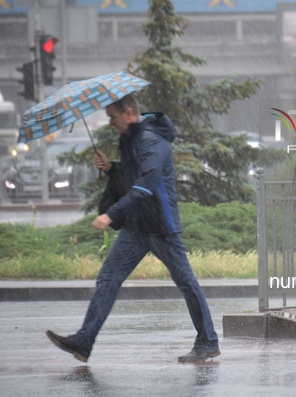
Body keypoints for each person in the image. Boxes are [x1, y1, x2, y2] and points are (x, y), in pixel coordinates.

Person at [46, 93, 220, 363]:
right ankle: (84, 341)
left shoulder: (152, 140)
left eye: (113, 117)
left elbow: (145, 185)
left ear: (128, 114)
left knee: (186, 282)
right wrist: (111, 167)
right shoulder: (132, 138)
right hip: (136, 227)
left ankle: (208, 342)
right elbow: (132, 173)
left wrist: (110, 214)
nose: (111, 122)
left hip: (161, 226)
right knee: (108, 278)